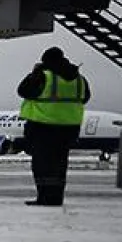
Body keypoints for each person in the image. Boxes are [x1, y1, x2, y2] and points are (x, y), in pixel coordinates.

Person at [17, 46, 91, 207]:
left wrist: (34, 73)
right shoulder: (79, 79)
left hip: (43, 126)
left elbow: (23, 90)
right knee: (60, 164)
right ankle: (56, 198)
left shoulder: (44, 76)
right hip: (69, 128)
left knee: (42, 164)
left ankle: (44, 197)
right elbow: (85, 98)